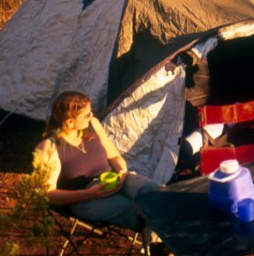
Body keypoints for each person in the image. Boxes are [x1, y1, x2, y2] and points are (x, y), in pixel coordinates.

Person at [35, 91, 160, 230]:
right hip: (83, 198)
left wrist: (122, 173)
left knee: (155, 193)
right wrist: (90, 193)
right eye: (86, 115)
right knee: (134, 210)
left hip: (113, 180)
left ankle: (168, 239)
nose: (91, 116)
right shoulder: (50, 147)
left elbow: (115, 156)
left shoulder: (92, 125)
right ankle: (163, 245)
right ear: (69, 122)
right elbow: (48, 194)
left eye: (91, 111)